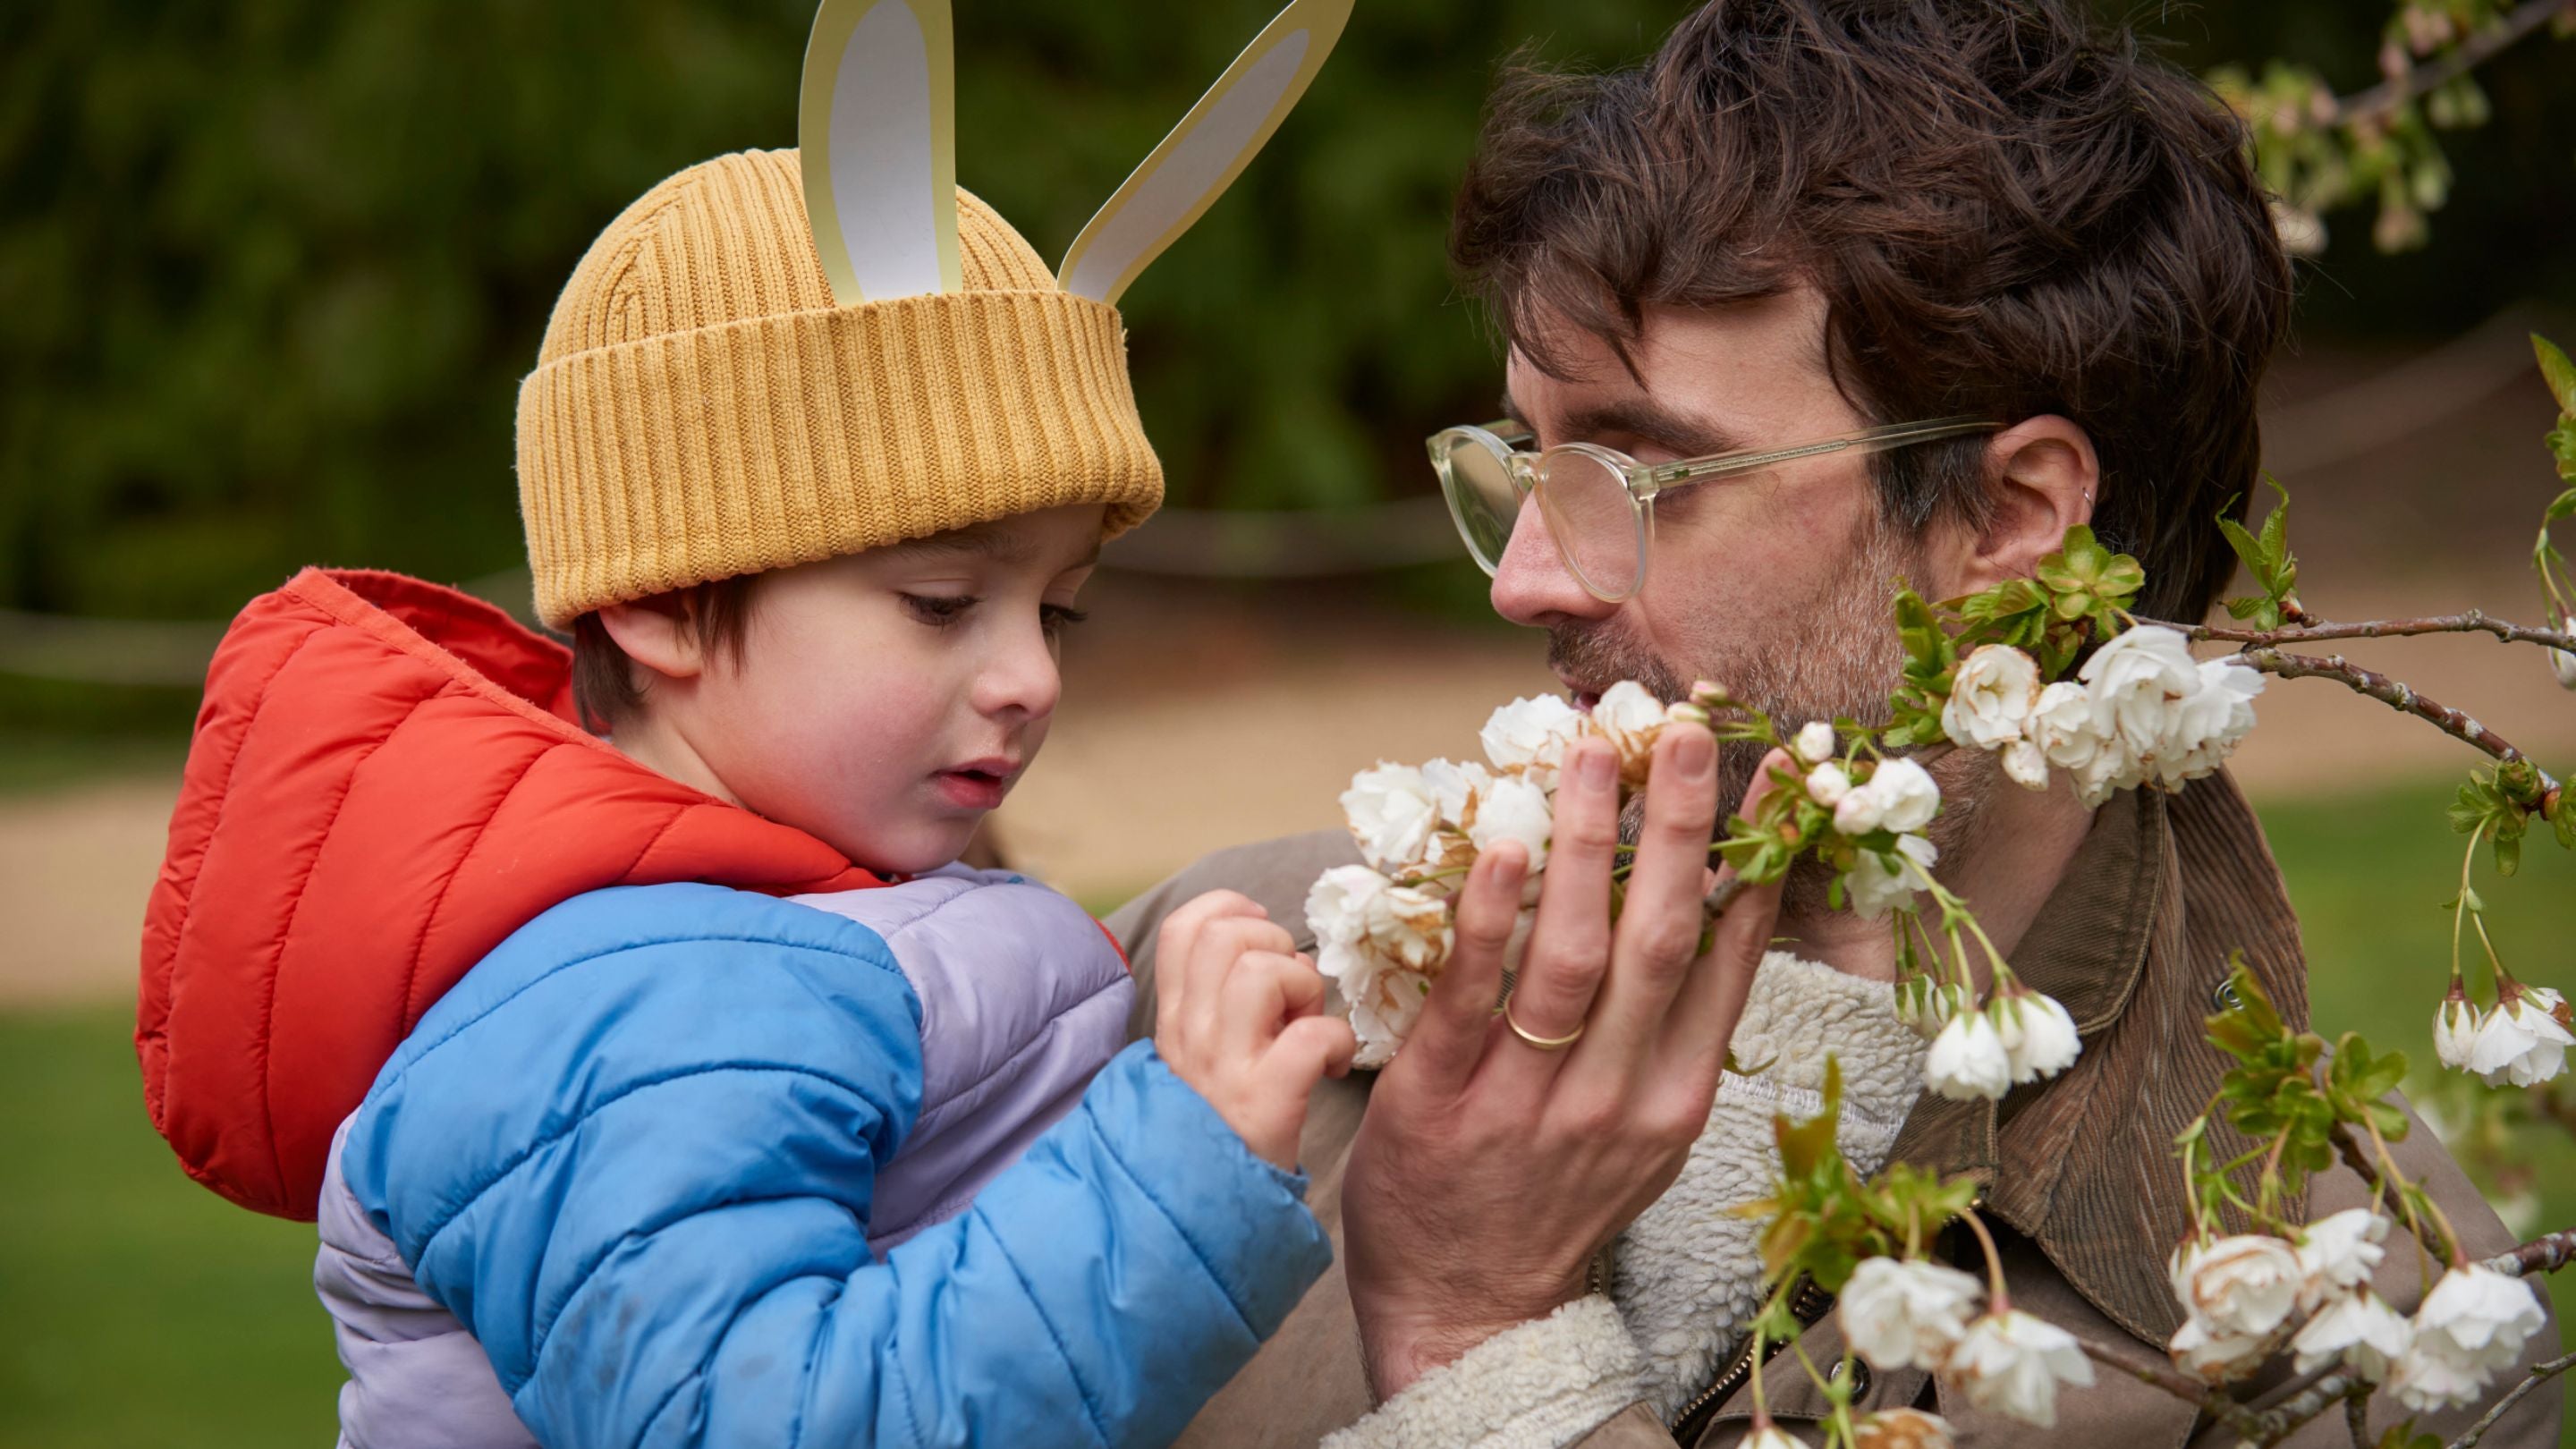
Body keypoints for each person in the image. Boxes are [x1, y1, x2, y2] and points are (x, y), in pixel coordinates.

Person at [1101, 2, 2562, 1445]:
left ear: (2013, 519)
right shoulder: (1230, 978)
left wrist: (1481, 1342)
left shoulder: (2360, 1330)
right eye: (1524, 462)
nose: (1529, 578)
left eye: (1641, 477)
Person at [131, 3, 1384, 1438]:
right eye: (937, 601)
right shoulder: (622, 1006)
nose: (1030, 675)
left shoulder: (762, 932)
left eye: (1059, 608)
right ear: (662, 601)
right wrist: (1181, 1167)